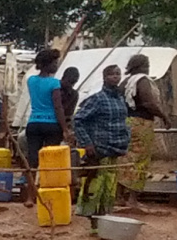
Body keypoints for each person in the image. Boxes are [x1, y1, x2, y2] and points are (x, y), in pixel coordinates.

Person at [72, 65, 132, 217]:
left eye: (118, 74)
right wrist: (86, 143)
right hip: (100, 147)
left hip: (116, 147)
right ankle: (90, 212)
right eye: (111, 74)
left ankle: (106, 213)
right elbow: (78, 120)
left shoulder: (120, 99)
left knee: (110, 184)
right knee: (96, 181)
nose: (115, 77)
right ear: (104, 77)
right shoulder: (97, 99)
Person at [118, 53, 166, 198]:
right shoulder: (142, 80)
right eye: (147, 66)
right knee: (140, 160)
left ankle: (120, 196)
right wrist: (164, 116)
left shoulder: (125, 82)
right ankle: (133, 199)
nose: (148, 69)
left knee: (124, 158)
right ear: (141, 67)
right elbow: (148, 102)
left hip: (126, 122)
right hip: (142, 124)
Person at [24, 48, 66, 172]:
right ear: (47, 65)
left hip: (33, 123)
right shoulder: (54, 83)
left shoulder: (31, 80)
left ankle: (31, 185)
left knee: (33, 158)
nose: (56, 65)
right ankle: (46, 185)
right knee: (50, 158)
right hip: (51, 124)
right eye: (54, 63)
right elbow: (58, 107)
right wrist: (65, 129)